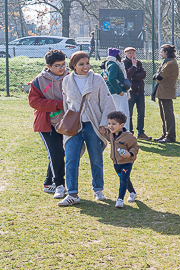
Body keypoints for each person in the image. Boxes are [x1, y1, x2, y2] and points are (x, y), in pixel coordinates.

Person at [57, 51, 116, 206]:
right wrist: (67, 122)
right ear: (73, 66)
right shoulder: (67, 80)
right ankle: (72, 193)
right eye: (81, 64)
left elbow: (106, 101)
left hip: (93, 124)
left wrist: (104, 123)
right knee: (71, 159)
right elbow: (66, 104)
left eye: (87, 63)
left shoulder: (97, 79)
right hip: (74, 126)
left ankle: (98, 189)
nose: (86, 67)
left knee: (96, 158)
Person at [28, 50, 68, 199]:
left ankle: (47, 183)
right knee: (56, 153)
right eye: (57, 65)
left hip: (66, 123)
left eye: (63, 64)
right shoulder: (39, 80)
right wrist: (58, 104)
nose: (62, 68)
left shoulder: (70, 77)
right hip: (47, 124)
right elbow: (34, 101)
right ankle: (59, 185)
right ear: (48, 66)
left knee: (60, 153)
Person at [103, 110, 140, 209]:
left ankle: (120, 199)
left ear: (121, 125)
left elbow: (135, 146)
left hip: (126, 162)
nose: (110, 126)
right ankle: (132, 192)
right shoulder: (112, 134)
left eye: (113, 124)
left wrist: (130, 154)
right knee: (125, 179)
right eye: (109, 123)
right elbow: (109, 139)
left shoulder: (128, 136)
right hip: (116, 163)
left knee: (123, 180)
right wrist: (103, 132)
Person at [152, 44, 179, 143]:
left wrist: (157, 74)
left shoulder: (170, 63)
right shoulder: (167, 62)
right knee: (163, 115)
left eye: (161, 52)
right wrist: (157, 74)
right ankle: (165, 134)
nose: (160, 54)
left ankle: (170, 136)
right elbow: (157, 75)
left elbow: (159, 77)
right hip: (162, 91)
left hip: (166, 91)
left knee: (168, 115)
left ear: (166, 52)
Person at [123, 47, 151, 140]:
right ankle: (130, 132)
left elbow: (143, 74)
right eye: (130, 53)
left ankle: (141, 133)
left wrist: (134, 76)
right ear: (125, 54)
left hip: (140, 92)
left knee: (141, 113)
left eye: (133, 53)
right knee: (129, 113)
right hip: (131, 92)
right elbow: (127, 75)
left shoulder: (139, 62)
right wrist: (133, 67)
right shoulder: (124, 63)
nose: (132, 55)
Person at [103, 48, 130, 132]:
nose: (121, 56)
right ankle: (124, 132)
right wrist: (119, 91)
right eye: (119, 54)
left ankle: (117, 132)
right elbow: (111, 78)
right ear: (116, 55)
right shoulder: (114, 65)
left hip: (113, 92)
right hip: (117, 93)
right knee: (122, 113)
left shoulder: (108, 64)